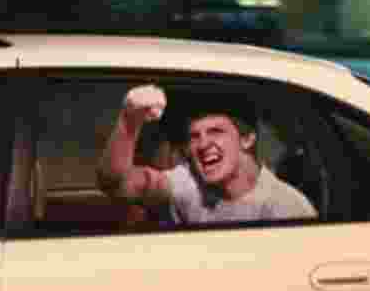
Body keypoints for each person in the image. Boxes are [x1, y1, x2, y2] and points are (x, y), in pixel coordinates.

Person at [97, 84, 316, 225]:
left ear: (247, 139)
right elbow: (117, 184)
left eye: (216, 131)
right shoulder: (189, 182)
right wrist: (129, 121)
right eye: (194, 136)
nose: (202, 144)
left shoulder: (287, 207)